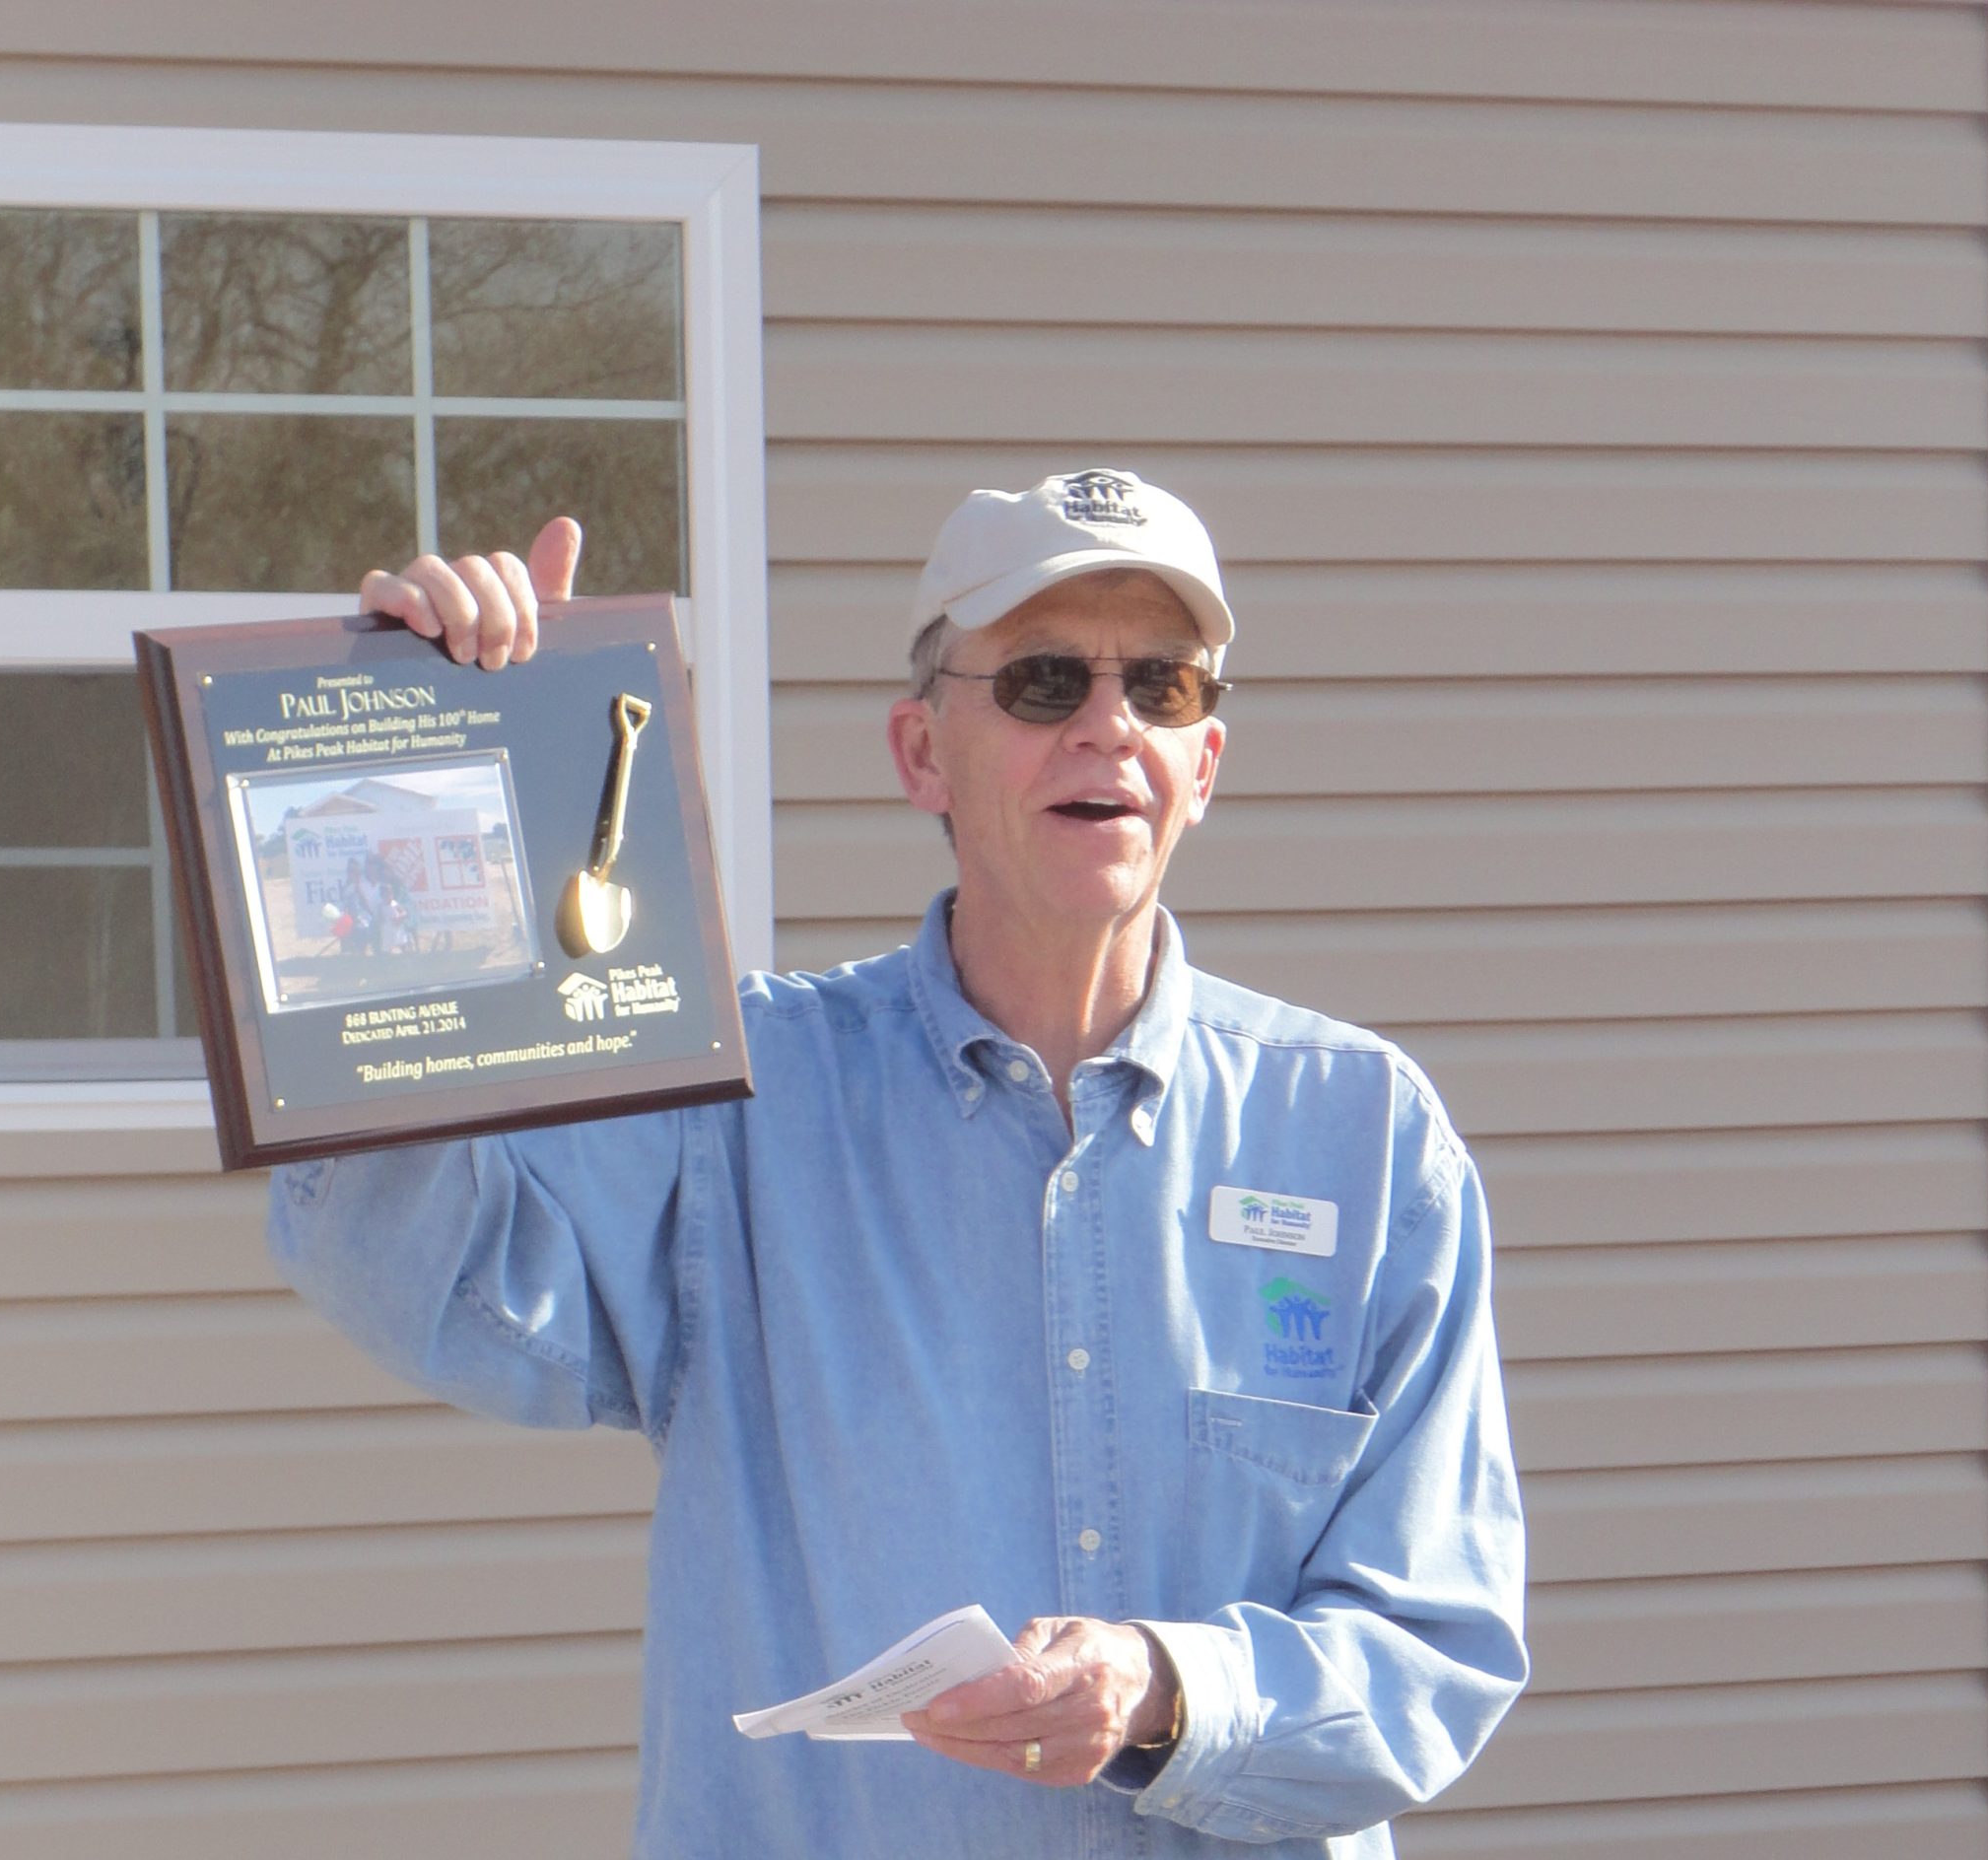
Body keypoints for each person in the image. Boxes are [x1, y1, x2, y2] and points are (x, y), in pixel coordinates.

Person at [270, 470, 1527, 1856]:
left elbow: (1435, 1647)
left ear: (1205, 765)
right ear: (920, 753)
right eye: (1046, 681)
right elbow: (434, 1291)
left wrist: (1171, 1691)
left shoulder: (1366, 1135)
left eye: (1162, 687)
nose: (1109, 725)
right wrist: (436, 768)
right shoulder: (735, 1095)